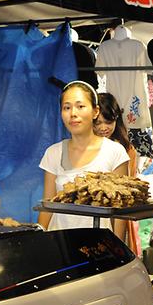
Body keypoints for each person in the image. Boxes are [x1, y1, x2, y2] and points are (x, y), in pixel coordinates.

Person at [37, 81, 129, 239]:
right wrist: (40, 241)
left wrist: (118, 249)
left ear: (95, 111)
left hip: (99, 244)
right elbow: (47, 207)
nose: (73, 113)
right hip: (60, 244)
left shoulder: (115, 152)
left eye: (80, 106)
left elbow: (119, 213)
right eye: (67, 107)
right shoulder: (53, 153)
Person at [94, 92, 141, 253]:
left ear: (116, 119)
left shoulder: (122, 149)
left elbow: (122, 200)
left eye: (108, 121)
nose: (103, 128)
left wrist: (118, 241)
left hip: (114, 218)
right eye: (98, 123)